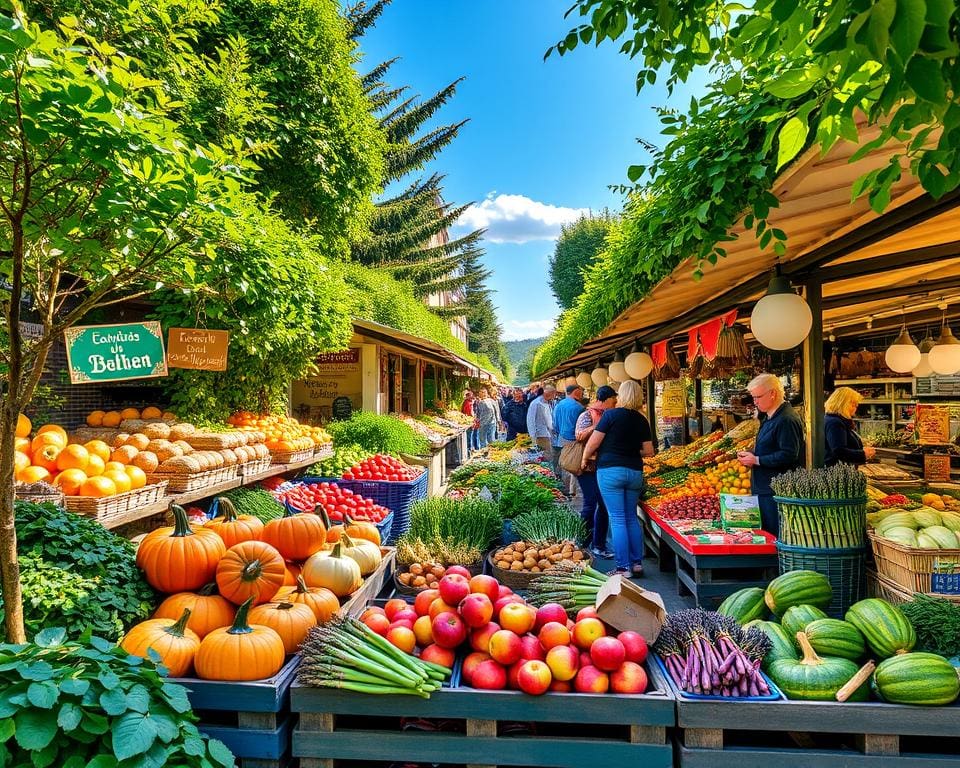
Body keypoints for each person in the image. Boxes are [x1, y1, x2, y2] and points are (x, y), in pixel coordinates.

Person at [580, 380, 654, 577]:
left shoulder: (611, 415)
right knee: (631, 517)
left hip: (610, 471)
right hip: (634, 472)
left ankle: (623, 568)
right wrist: (630, 449)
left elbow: (593, 442)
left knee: (618, 519)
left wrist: (585, 459)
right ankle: (637, 563)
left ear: (621, 395)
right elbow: (649, 451)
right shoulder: (642, 419)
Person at [737, 373, 805, 536]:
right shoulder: (770, 417)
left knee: (774, 536)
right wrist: (752, 455)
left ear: (773, 393)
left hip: (776, 492)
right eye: (753, 397)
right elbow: (771, 447)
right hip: (765, 489)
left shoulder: (786, 419)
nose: (755, 402)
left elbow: (789, 454)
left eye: (758, 397)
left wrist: (757, 460)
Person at [575, 385, 618, 559]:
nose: (615, 403)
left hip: (605, 465)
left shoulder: (612, 414)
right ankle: (583, 541)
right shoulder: (586, 415)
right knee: (591, 502)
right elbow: (579, 435)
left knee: (602, 504)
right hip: (587, 467)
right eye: (613, 400)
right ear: (606, 399)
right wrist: (598, 426)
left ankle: (597, 543)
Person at [824, 386, 875, 466]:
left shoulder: (834, 419)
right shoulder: (835, 422)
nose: (855, 409)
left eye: (856, 405)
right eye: (853, 405)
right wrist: (863, 454)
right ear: (843, 404)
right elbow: (839, 451)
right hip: (837, 472)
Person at [554, 384, 585, 496]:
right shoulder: (579, 407)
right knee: (573, 464)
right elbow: (582, 427)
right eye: (581, 391)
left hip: (561, 437)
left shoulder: (559, 404)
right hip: (573, 440)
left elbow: (555, 423)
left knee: (563, 463)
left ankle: (565, 488)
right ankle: (572, 490)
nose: (582, 394)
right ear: (576, 392)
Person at [526, 384, 557, 462]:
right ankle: (547, 472)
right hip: (541, 434)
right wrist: (533, 437)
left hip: (548, 433)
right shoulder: (536, 403)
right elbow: (530, 420)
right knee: (546, 455)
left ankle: (550, 471)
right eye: (554, 394)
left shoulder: (547, 402)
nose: (554, 396)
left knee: (549, 454)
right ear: (548, 393)